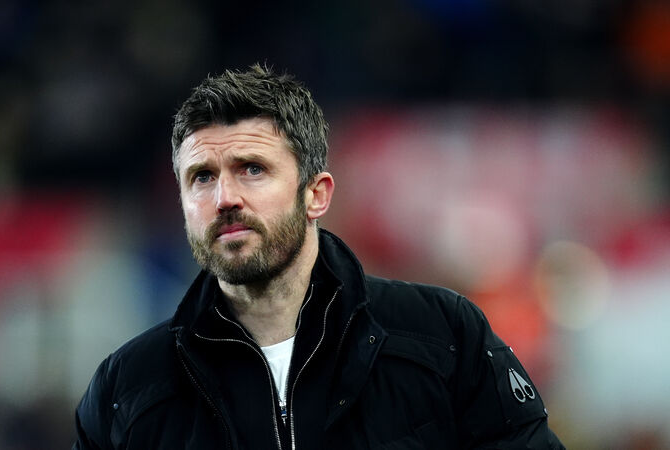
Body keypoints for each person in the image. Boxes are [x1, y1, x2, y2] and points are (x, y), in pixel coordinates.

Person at [73, 64, 565, 449]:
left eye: (252, 169)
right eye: (202, 177)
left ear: (316, 194)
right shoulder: (126, 388)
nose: (224, 198)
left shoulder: (444, 337)